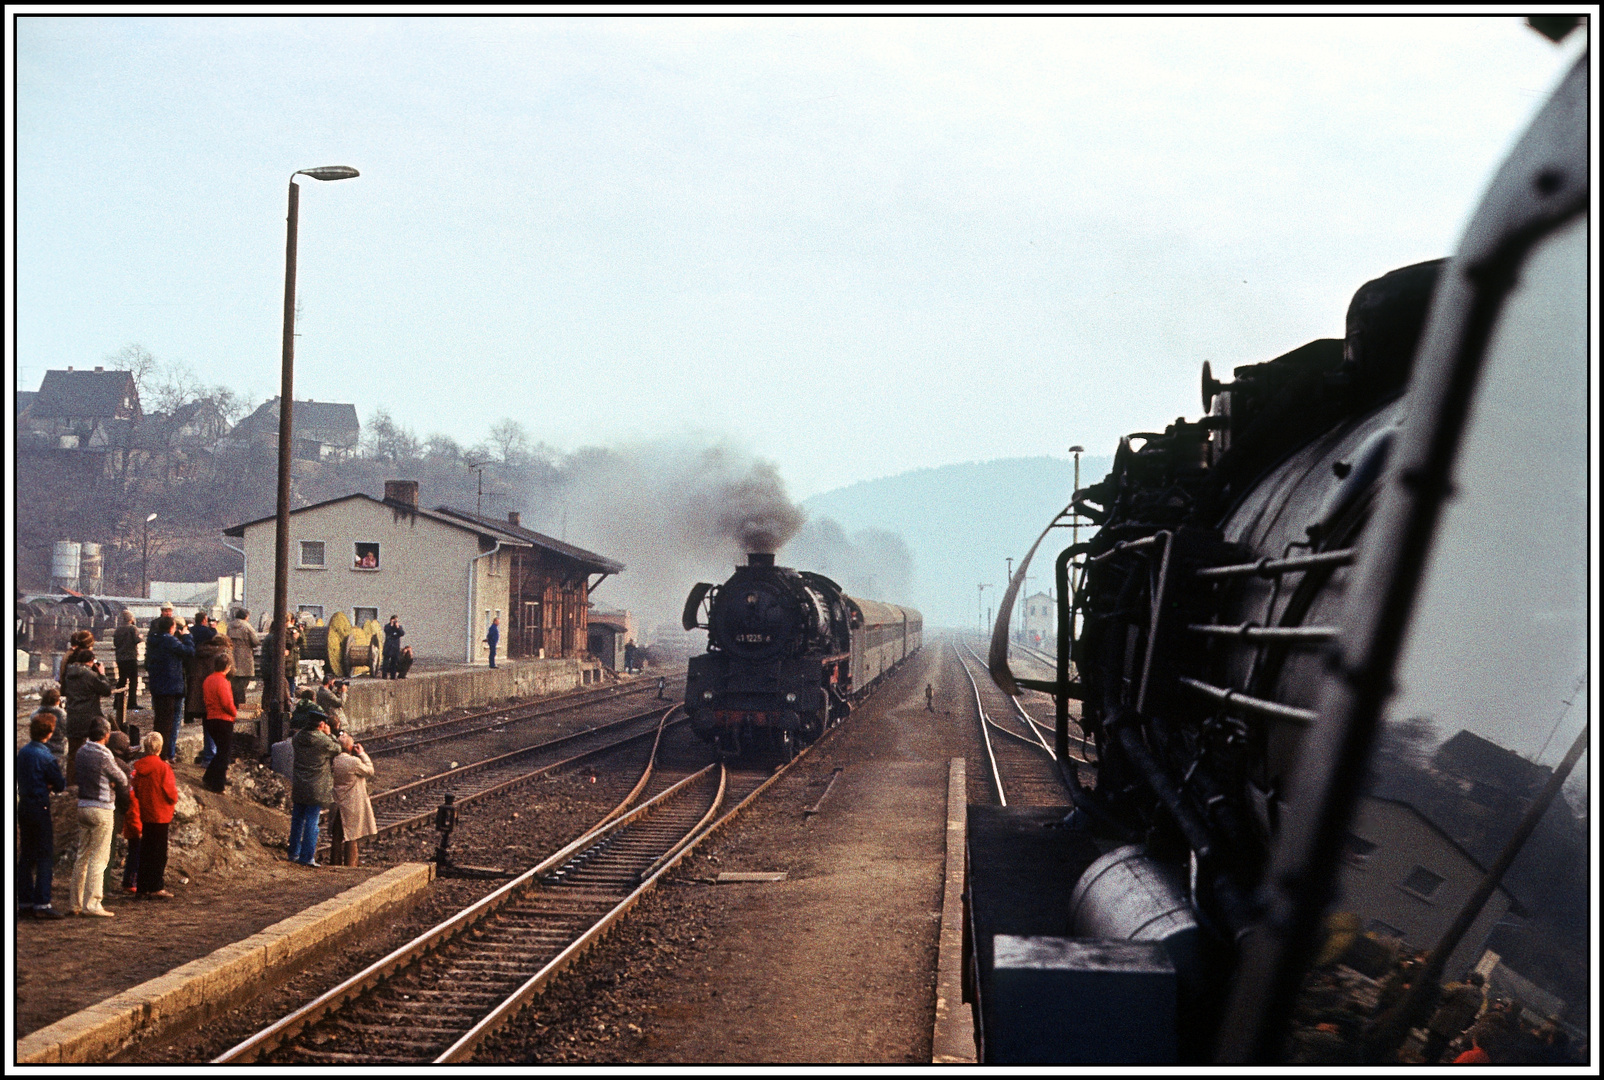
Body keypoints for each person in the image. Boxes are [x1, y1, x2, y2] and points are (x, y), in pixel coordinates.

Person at [71, 717, 129, 917]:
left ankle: (76, 902)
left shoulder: (81, 751)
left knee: (82, 856)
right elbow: (121, 777)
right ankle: (93, 903)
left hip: (83, 805)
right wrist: (112, 783)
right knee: (99, 857)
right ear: (106, 735)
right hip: (102, 807)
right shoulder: (105, 754)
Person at [17, 712, 67, 919]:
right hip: (40, 805)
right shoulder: (46, 756)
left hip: (24, 805)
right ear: (49, 732)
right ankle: (43, 903)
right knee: (45, 854)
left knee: (26, 854)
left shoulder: (22, 752)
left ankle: (25, 901)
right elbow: (60, 784)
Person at [130, 731, 178, 898]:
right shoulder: (163, 768)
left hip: (146, 813)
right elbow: (171, 793)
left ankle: (142, 887)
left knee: (145, 851)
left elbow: (134, 789)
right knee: (159, 853)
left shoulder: (139, 767)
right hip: (161, 815)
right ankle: (156, 886)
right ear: (159, 748)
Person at [289, 713, 341, 866]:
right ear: (320, 725)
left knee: (297, 820)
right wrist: (329, 734)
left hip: (299, 784)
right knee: (312, 821)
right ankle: (307, 857)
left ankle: (293, 853)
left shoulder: (297, 738)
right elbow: (337, 748)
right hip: (316, 787)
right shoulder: (323, 740)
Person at [145, 615, 195, 764]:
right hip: (171, 686)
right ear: (172, 628)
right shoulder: (169, 640)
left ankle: (156, 752)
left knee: (159, 720)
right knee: (169, 722)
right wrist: (186, 636)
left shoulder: (153, 639)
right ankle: (164, 755)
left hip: (157, 685)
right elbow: (189, 651)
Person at [61, 644, 114, 785]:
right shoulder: (90, 675)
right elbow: (106, 690)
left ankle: (71, 784)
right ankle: (88, 782)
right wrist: (102, 673)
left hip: (72, 717)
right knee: (92, 753)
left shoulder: (69, 674)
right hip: (88, 719)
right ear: (91, 661)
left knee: (72, 754)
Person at [329, 733, 376, 867]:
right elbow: (370, 771)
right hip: (351, 803)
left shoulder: (334, 760)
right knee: (351, 836)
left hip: (337, 801)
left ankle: (335, 863)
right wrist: (362, 753)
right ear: (350, 747)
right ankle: (350, 866)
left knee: (336, 836)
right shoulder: (354, 762)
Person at [188, 612, 227, 764]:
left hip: (200, 695)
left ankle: (208, 757)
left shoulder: (197, 653)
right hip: (216, 694)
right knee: (218, 726)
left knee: (206, 724)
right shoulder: (219, 654)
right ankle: (214, 757)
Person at [1424, 972, 1486, 1063]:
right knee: (1438, 1051)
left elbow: (1445, 996)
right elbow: (1472, 1016)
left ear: (1471, 980)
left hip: (1442, 1022)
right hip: (1454, 1029)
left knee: (1429, 1047)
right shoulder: (1480, 998)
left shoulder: (1464, 988)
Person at [201, 652, 239, 793]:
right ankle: (218, 784)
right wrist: (235, 713)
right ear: (227, 667)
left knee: (221, 752)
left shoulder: (208, 680)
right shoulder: (223, 682)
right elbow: (226, 703)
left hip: (210, 718)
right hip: (223, 720)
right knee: (224, 753)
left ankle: (209, 777)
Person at [226, 608, 260, 710]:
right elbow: (255, 641)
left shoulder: (230, 626)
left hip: (232, 658)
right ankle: (241, 705)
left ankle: (233, 705)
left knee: (233, 685)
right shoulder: (247, 627)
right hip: (245, 659)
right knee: (243, 685)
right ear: (246, 616)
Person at [113, 610, 143, 712]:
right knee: (133, 681)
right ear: (131, 619)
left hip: (120, 658)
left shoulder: (118, 629)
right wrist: (141, 637)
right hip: (131, 657)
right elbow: (136, 640)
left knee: (122, 680)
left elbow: (115, 643)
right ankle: (132, 702)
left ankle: (117, 702)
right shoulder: (132, 628)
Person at [34, 687, 69, 762]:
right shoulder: (61, 714)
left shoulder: (37, 714)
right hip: (58, 750)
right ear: (57, 701)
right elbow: (68, 731)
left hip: (40, 749)